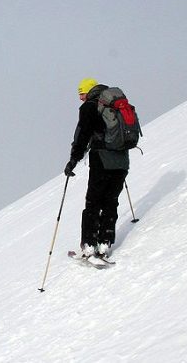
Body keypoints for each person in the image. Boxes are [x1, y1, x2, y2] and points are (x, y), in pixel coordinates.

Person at [64, 78, 129, 259]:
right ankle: (105, 244)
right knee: (111, 201)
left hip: (101, 159)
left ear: (89, 91)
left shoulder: (89, 107)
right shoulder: (115, 105)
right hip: (122, 161)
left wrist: (73, 160)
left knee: (93, 202)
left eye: (81, 93)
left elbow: (82, 135)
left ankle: (89, 245)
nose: (81, 98)